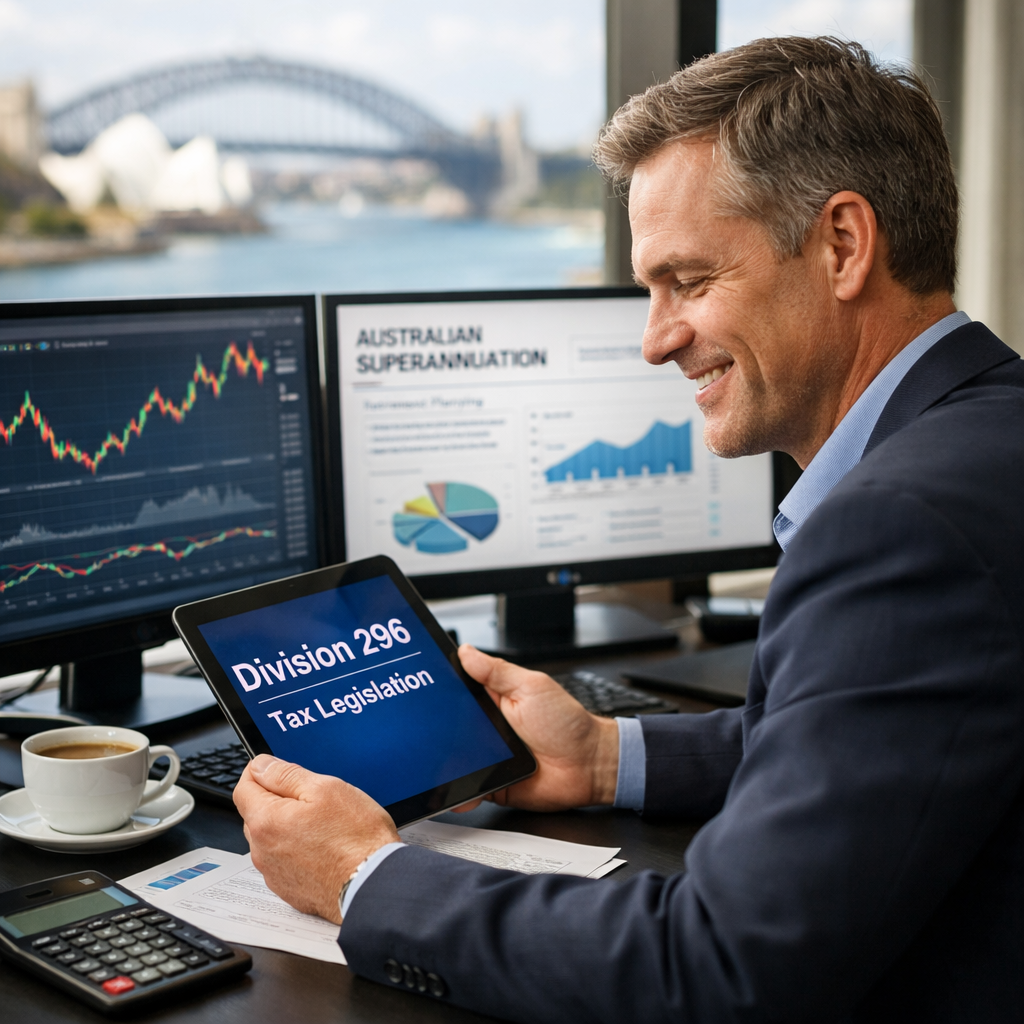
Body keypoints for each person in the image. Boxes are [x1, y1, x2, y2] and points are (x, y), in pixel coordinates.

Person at [233, 37, 1024, 1023]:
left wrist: (363, 874)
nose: (655, 338)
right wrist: (605, 757)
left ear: (843, 245)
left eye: (688, 281)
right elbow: (878, 736)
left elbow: (716, 971)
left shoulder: (898, 525)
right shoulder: (991, 430)